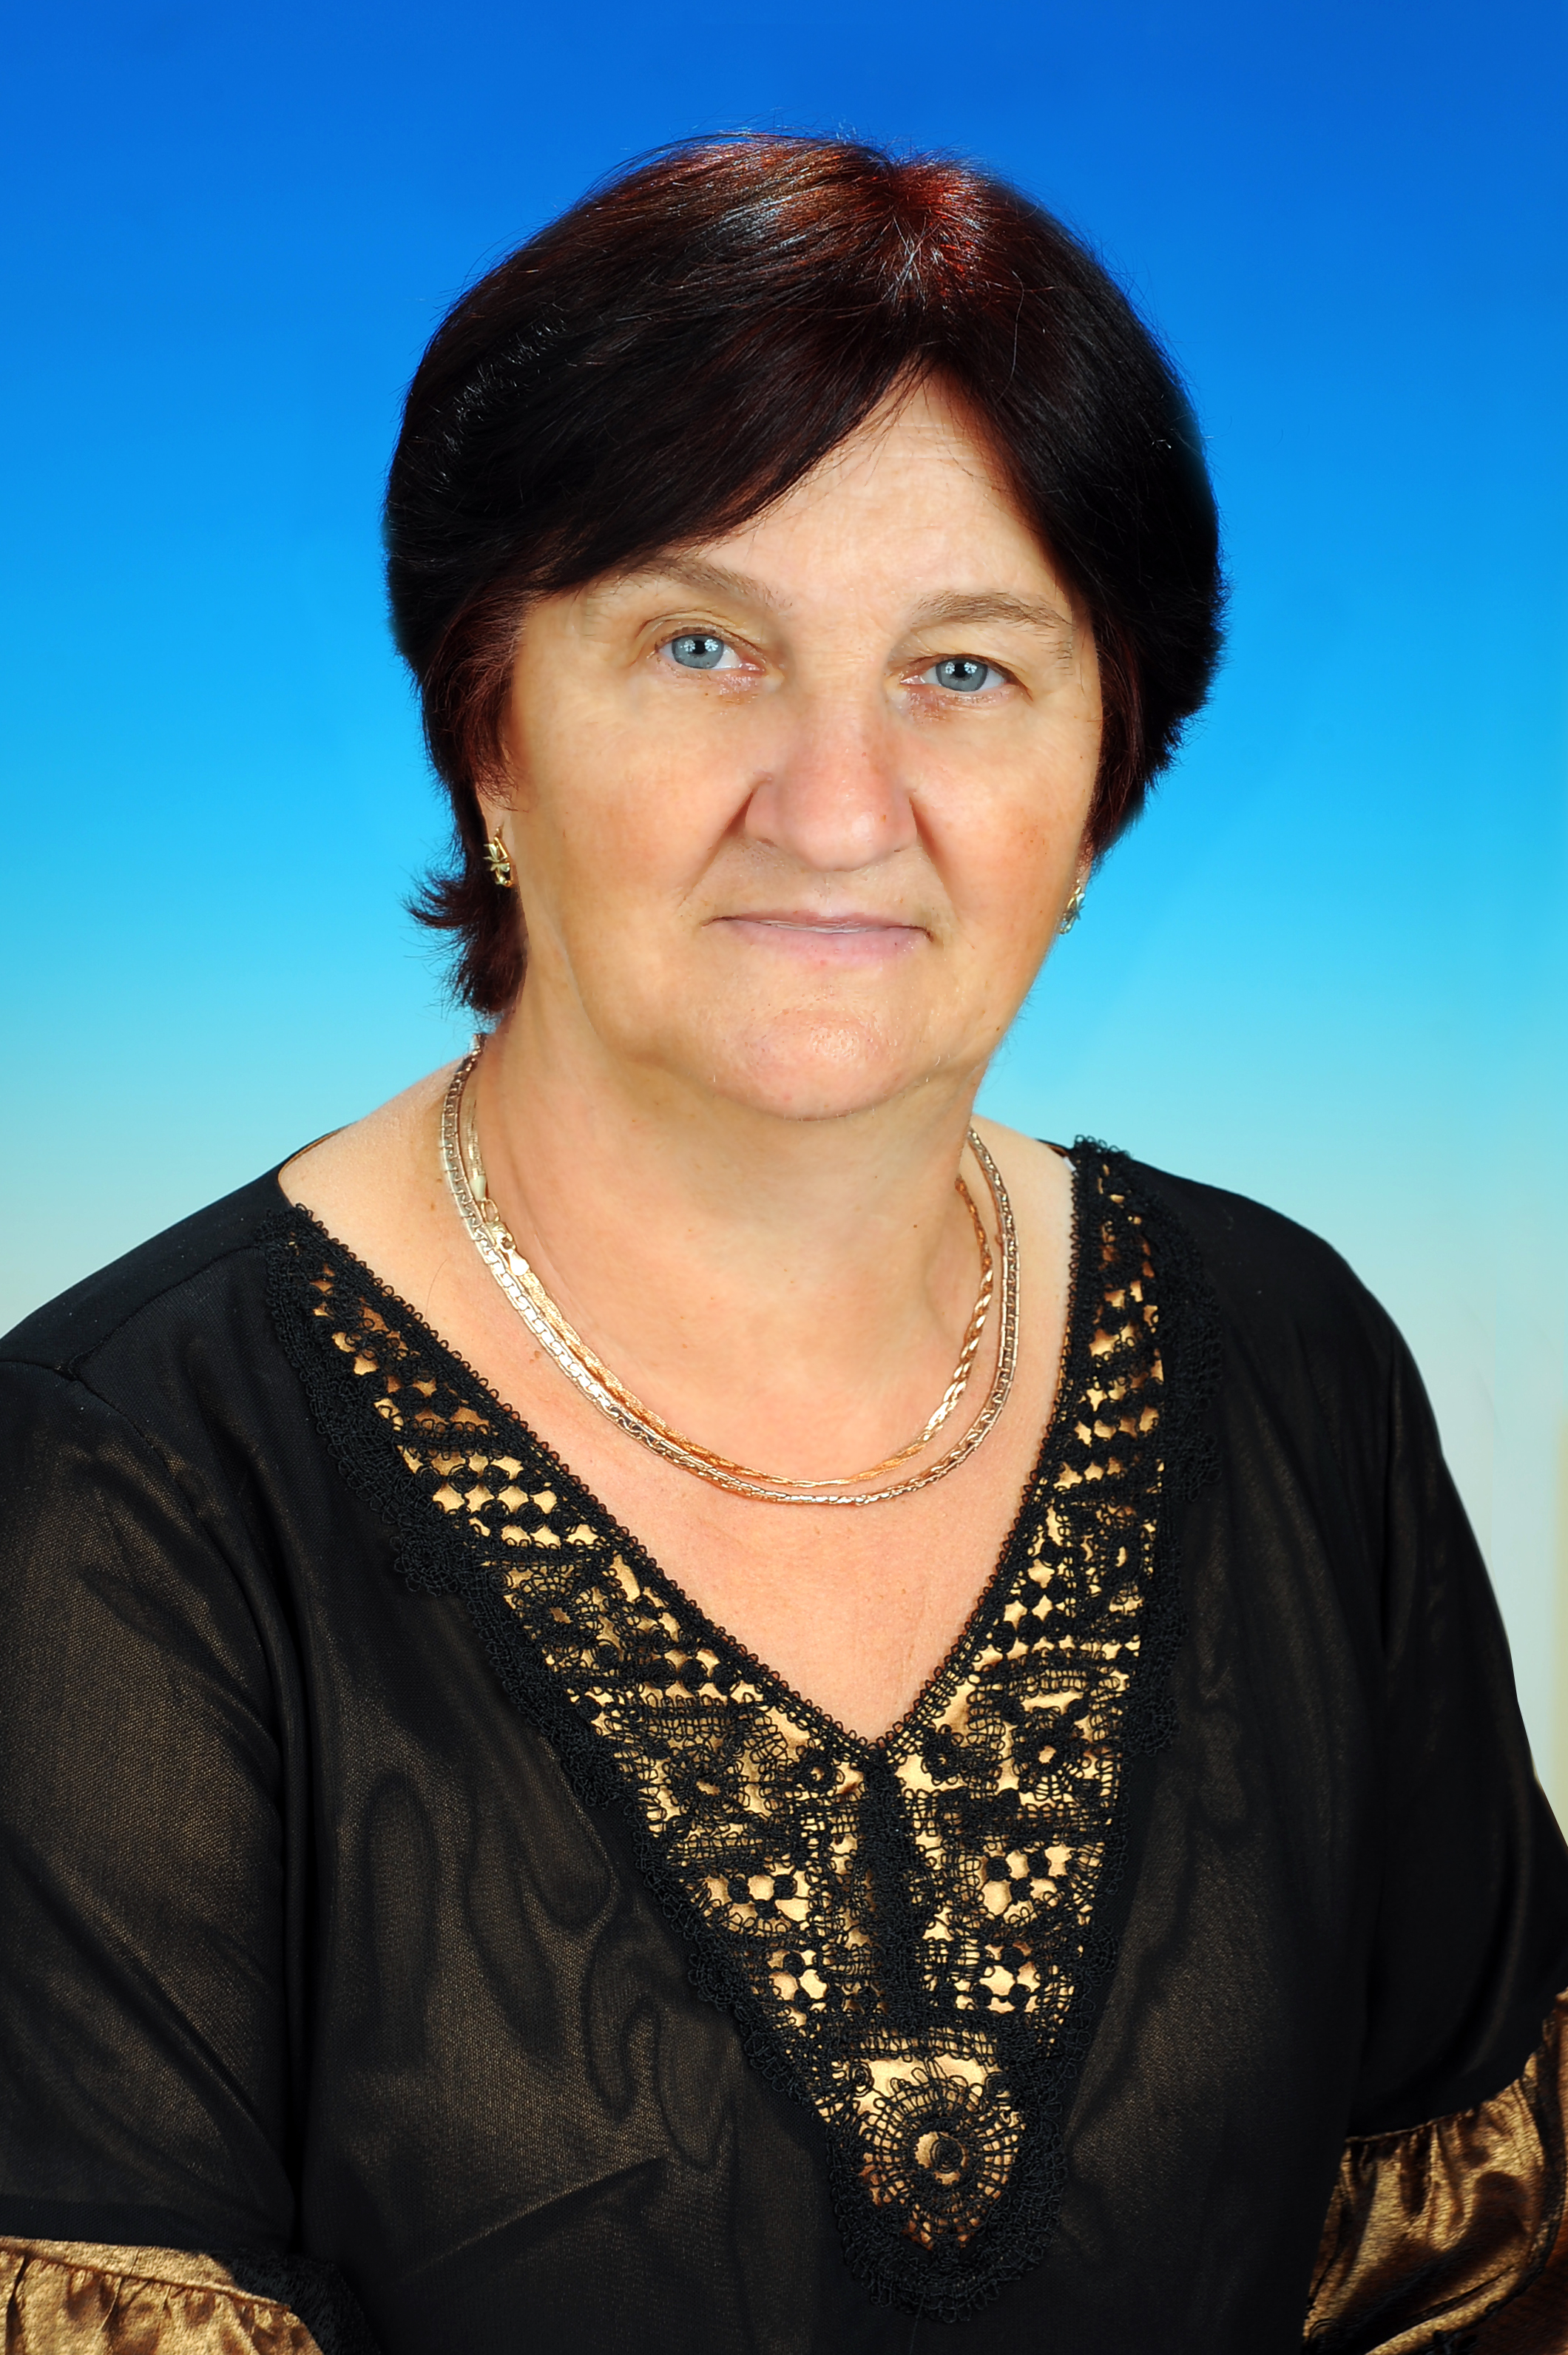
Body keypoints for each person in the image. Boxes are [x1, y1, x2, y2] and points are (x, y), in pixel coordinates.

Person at [1, 132, 1564, 2355]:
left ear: (1104, 780)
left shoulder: (1290, 1363)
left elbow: (1477, 2289)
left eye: (966, 671)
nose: (836, 810)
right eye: (704, 645)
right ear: (490, 734)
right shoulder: (120, 1495)